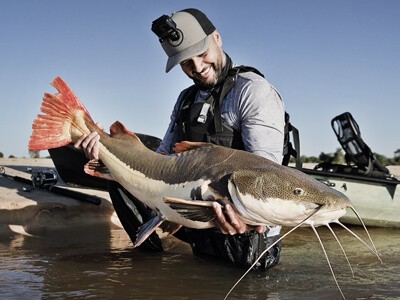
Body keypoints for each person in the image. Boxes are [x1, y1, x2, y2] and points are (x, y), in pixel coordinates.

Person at [75, 8, 285, 271]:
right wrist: (107, 154)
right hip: (196, 220)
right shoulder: (186, 99)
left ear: (217, 38)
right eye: (186, 63)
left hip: (250, 238)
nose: (197, 68)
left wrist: (251, 223)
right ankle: (149, 265)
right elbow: (162, 157)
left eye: (202, 53)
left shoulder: (253, 92)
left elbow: (267, 177)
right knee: (121, 171)